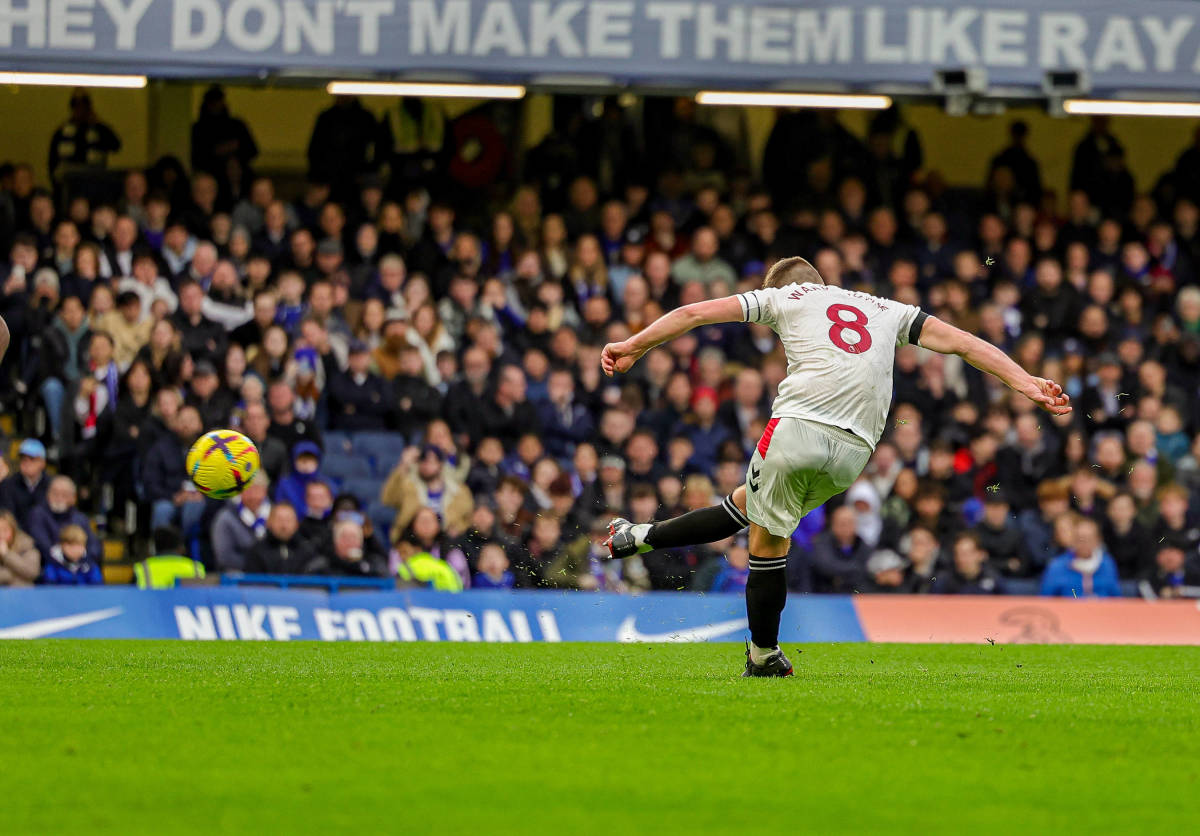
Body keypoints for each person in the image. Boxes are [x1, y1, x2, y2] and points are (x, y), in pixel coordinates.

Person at [602, 255, 1070, 676]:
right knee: (747, 508)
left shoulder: (783, 298)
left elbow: (694, 313)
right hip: (855, 453)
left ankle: (763, 655)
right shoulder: (886, 307)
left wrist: (635, 345)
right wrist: (1025, 382)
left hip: (798, 427)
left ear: (782, 286)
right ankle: (639, 538)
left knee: (765, 543)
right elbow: (964, 343)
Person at [1041, 516, 1121, 598]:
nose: (1085, 543)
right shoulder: (1057, 566)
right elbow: (1046, 599)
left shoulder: (1107, 564)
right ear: (1072, 540)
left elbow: (1116, 598)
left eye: (1089, 539)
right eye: (1080, 539)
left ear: (1098, 540)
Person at [28, 475, 101, 565]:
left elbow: (94, 546)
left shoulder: (80, 518)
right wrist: (66, 557)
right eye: (55, 493)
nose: (59, 498)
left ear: (73, 498)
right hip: (49, 569)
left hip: (79, 567)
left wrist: (81, 557)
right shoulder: (37, 514)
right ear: (47, 495)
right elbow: (42, 545)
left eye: (64, 494)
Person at [210, 472, 270, 572]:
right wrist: (255, 567)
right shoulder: (225, 518)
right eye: (248, 490)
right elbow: (224, 556)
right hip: (238, 575)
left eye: (257, 490)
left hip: (272, 574)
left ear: (265, 491)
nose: (253, 496)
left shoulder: (276, 514)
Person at [244, 501, 317, 575]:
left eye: (288, 520)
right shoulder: (257, 552)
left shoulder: (307, 551)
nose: (284, 525)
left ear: (296, 524)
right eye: (279, 520)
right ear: (269, 522)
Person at [0, 439, 48, 529]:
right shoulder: (7, 485)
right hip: (17, 537)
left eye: (32, 458)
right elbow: (8, 516)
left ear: (42, 462)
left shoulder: (52, 485)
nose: (26, 462)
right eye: (23, 458)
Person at [0, 510, 39, 587]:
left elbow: (32, 572)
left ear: (13, 531)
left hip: (22, 595)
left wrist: (7, 555)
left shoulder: (26, 547)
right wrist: (11, 575)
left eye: (4, 530)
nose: (0, 535)